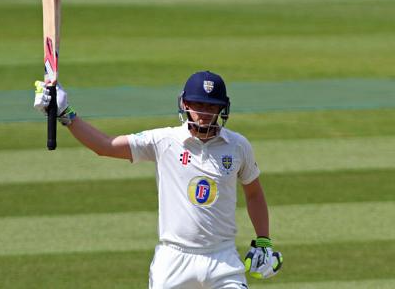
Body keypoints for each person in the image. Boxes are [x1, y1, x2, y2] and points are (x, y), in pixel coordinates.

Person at [34, 71, 283, 289]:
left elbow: (254, 194)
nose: (204, 113)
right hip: (174, 260)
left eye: (211, 106)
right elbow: (105, 146)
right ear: (185, 103)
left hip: (223, 258)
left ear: (222, 108)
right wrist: (65, 113)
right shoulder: (163, 141)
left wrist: (263, 241)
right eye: (198, 105)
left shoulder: (238, 146)